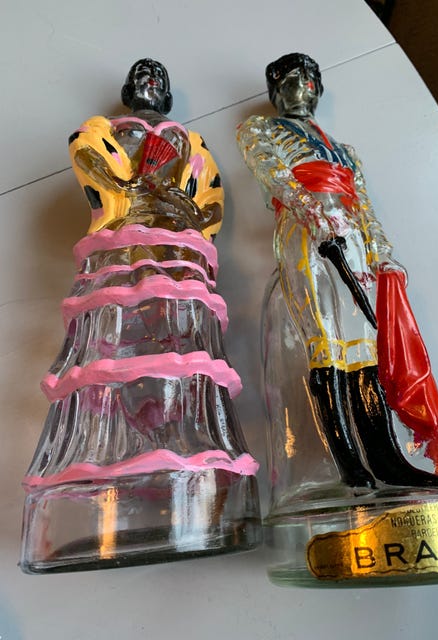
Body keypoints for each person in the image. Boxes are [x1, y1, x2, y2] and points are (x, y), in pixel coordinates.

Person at [21, 59, 259, 572]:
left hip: (176, 257)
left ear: (165, 95)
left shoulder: (190, 143)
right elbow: (86, 154)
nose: (150, 86)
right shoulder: (108, 131)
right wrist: (128, 188)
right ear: (130, 89)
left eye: (158, 81)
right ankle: (99, 485)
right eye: (143, 79)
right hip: (120, 248)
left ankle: (192, 478)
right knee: (108, 350)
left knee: (182, 354)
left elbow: (209, 199)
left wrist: (181, 209)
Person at [237, 52, 438, 489]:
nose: (305, 87)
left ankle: (385, 458)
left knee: (364, 342)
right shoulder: (261, 129)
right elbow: (273, 173)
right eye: (295, 78)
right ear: (277, 87)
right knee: (325, 340)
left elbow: (362, 205)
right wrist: (310, 210)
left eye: (311, 79)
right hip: (306, 234)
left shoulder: (345, 151)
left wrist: (381, 251)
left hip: (351, 237)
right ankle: (347, 460)